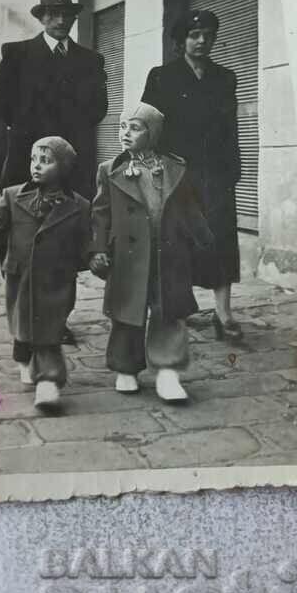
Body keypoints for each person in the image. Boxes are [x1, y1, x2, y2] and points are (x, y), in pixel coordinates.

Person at [90, 103, 214, 402]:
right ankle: (126, 369)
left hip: (169, 253)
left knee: (169, 311)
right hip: (128, 256)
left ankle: (168, 372)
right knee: (127, 313)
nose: (125, 134)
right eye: (122, 127)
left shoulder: (174, 168)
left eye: (135, 127)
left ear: (153, 132)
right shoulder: (110, 170)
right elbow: (100, 214)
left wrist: (205, 242)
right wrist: (98, 249)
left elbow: (189, 209)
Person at [0, 137, 91, 411]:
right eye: (34, 160)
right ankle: (23, 357)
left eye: (46, 162)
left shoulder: (79, 206)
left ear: (64, 167)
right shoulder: (12, 196)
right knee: (23, 325)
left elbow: (86, 241)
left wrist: (94, 259)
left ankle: (49, 382)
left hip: (56, 280)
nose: (37, 166)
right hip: (19, 276)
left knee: (50, 330)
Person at [142, 10, 243, 342]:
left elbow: (231, 129)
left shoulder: (225, 78)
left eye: (208, 34)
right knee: (176, 241)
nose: (202, 41)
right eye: (195, 34)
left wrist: (233, 171)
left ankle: (223, 312)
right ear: (181, 40)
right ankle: (177, 311)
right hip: (175, 171)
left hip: (216, 173)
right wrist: (150, 167)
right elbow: (146, 125)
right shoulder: (161, 77)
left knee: (222, 238)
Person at [0, 0, 108, 201]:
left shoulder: (91, 60)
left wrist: (75, 127)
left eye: (67, 15)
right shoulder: (17, 54)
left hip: (74, 151)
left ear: (74, 19)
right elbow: (0, 102)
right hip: (28, 149)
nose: (61, 21)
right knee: (23, 213)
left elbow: (99, 107)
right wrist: (23, 126)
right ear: (42, 18)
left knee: (71, 216)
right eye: (53, 15)